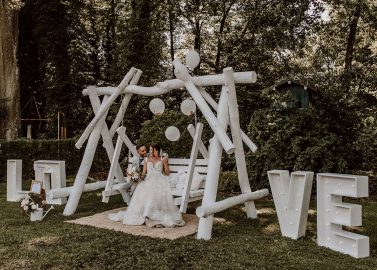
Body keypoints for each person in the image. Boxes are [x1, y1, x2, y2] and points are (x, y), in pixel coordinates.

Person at [109, 143, 185, 228]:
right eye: (150, 150)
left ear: (157, 150)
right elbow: (144, 173)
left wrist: (165, 162)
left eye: (151, 150)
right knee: (143, 189)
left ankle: (151, 215)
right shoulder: (146, 159)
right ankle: (146, 214)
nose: (150, 151)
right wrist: (136, 175)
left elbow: (167, 173)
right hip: (149, 180)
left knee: (154, 191)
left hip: (160, 180)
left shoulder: (162, 159)